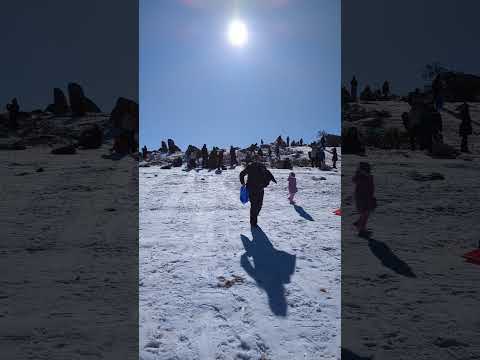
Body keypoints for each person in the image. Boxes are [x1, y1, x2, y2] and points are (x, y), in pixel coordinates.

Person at [239, 158, 277, 228]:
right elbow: (242, 174)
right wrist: (243, 183)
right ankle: (253, 222)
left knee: (259, 205)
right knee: (254, 205)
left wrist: (272, 179)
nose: (257, 160)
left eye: (259, 159)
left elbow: (268, 173)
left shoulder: (262, 166)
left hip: (260, 188)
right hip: (251, 188)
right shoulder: (250, 166)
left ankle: (254, 216)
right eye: (256, 159)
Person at [353, 162, 376, 238]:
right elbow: (355, 180)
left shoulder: (367, 176)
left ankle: (360, 225)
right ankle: (361, 229)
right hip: (362, 197)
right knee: (365, 213)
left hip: (367, 196)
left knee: (366, 213)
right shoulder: (360, 176)